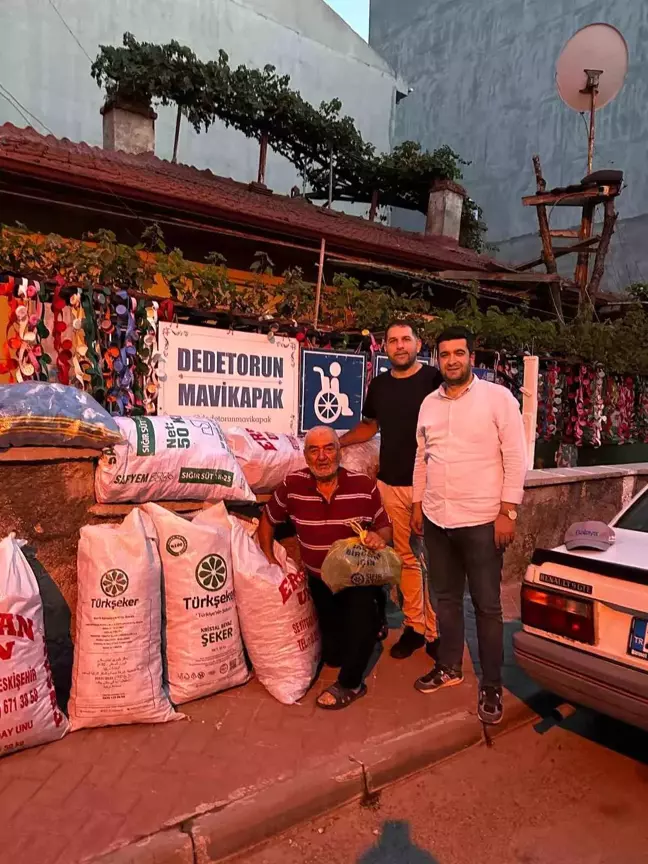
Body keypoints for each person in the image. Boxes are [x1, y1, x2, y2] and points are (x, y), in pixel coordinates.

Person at [411, 326, 527, 725]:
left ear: (472, 357)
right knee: (444, 599)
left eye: (459, 353)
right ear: (437, 359)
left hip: (482, 521)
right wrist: (416, 505)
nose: (452, 360)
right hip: (437, 518)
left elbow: (516, 456)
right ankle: (449, 667)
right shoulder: (428, 404)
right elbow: (421, 457)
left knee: (487, 606)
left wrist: (507, 512)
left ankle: (492, 683)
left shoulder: (498, 399)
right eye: (445, 355)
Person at [258, 426, 392, 710]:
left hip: (356, 577)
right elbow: (268, 521)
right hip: (320, 581)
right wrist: (268, 558)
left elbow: (384, 526)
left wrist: (379, 539)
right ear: (305, 456)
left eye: (329, 448)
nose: (322, 457)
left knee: (361, 619)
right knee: (333, 655)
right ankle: (373, 615)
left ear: (339, 452)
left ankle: (352, 683)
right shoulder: (293, 485)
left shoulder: (363, 486)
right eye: (314, 450)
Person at [340, 320, 442, 660]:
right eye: (393, 341)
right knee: (406, 560)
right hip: (391, 485)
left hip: (430, 486)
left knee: (435, 561)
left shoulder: (433, 381)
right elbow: (370, 426)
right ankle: (415, 626)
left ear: (418, 344)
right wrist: (336, 443)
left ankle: (438, 630)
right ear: (385, 347)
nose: (399, 346)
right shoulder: (380, 385)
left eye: (406, 340)